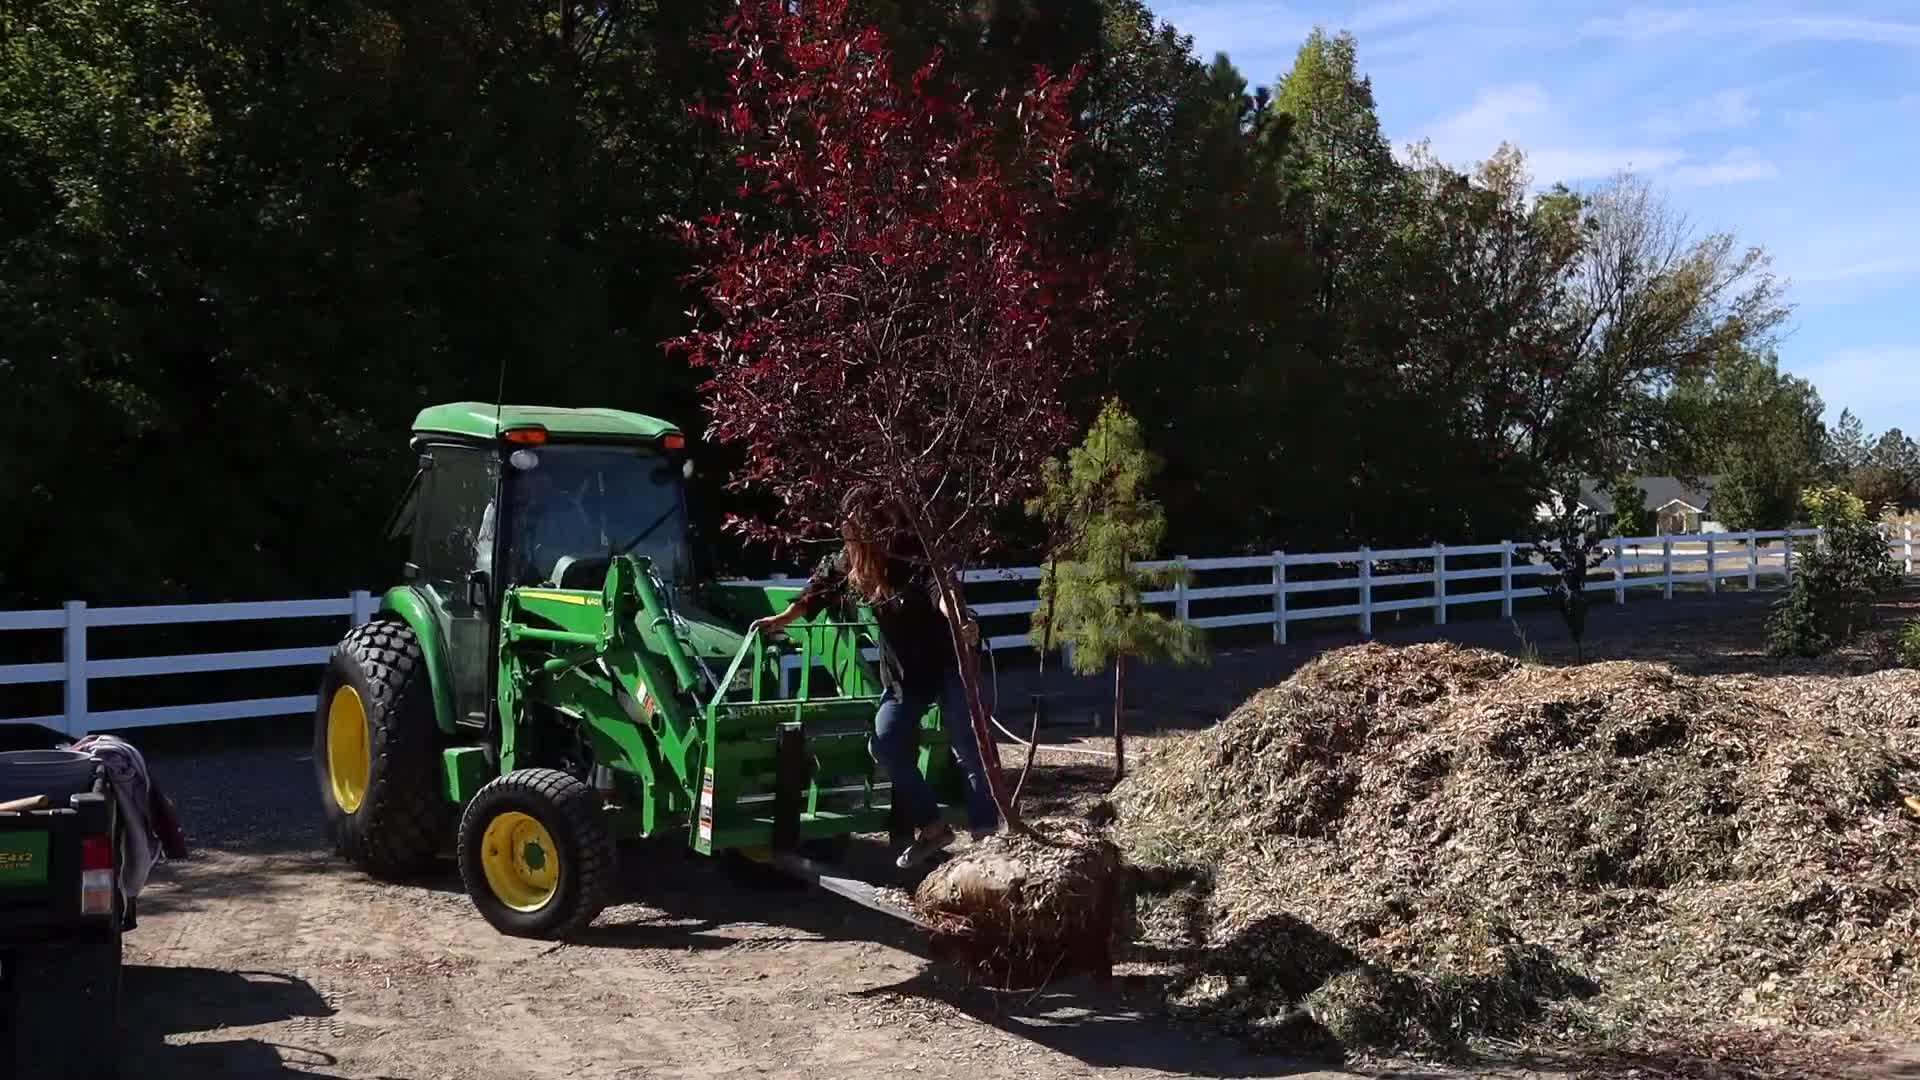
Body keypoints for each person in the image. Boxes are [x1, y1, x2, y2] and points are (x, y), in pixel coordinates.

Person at [751, 491, 999, 869]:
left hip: (951, 663)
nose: (852, 540)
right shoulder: (852, 562)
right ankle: (932, 828)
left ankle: (987, 840)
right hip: (905, 675)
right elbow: (816, 590)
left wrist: (960, 621)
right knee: (886, 742)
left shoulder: (911, 551)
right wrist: (781, 620)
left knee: (969, 747)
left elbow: (941, 591)